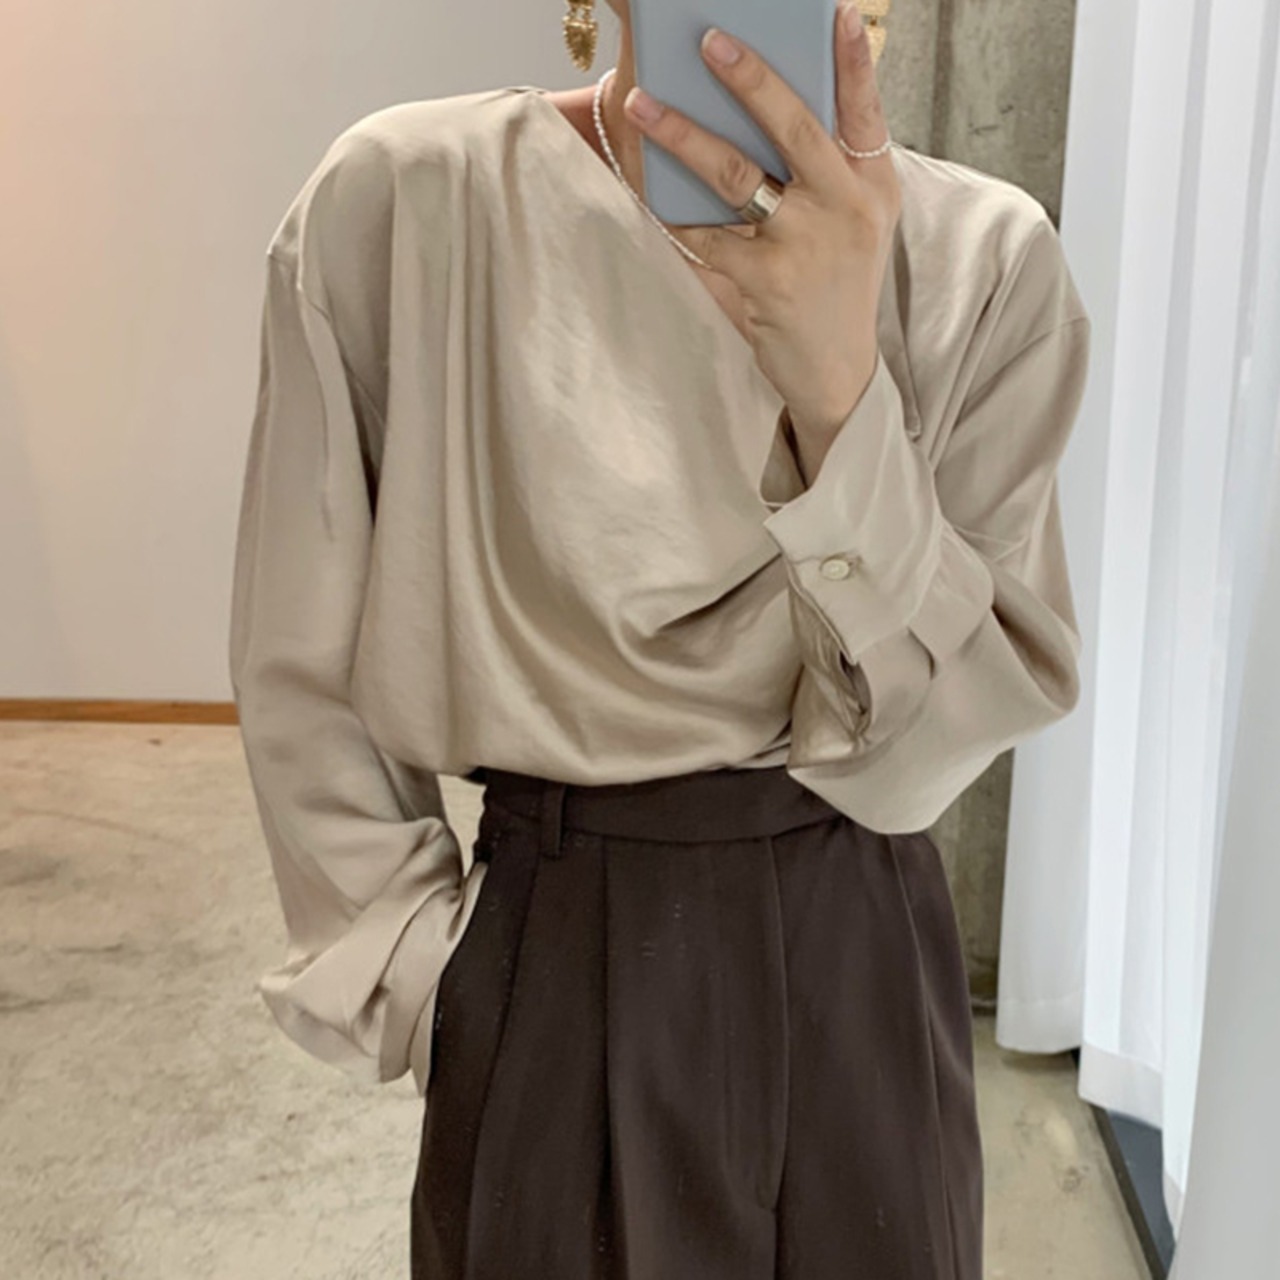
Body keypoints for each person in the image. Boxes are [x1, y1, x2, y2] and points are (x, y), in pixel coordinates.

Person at [227, 0, 1091, 1275]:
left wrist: (840, 393)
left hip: (856, 939)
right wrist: (427, 978)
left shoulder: (984, 260)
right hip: (552, 945)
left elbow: (937, 741)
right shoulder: (410, 201)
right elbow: (300, 658)